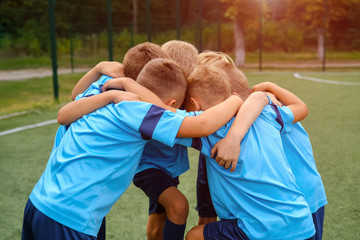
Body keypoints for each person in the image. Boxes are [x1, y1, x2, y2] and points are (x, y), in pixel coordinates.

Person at [22, 58, 245, 240]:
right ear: (172, 103)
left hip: (38, 203)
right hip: (69, 218)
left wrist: (107, 74)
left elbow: (64, 113)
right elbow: (202, 124)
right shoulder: (139, 113)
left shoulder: (103, 90)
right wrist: (236, 101)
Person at [178, 64, 315, 240]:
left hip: (262, 231)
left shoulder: (207, 131)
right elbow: (289, 104)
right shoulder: (266, 114)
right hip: (302, 223)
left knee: (194, 236)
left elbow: (160, 114)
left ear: (194, 105)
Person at [215, 82, 328, 240]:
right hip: (304, 192)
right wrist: (269, 87)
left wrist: (268, 90)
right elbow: (301, 106)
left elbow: (301, 108)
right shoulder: (275, 108)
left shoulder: (264, 114)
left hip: (300, 196)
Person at [131, 40, 199, 239]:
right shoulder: (153, 98)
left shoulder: (183, 97)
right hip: (148, 167)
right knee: (178, 206)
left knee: (158, 220)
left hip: (168, 167)